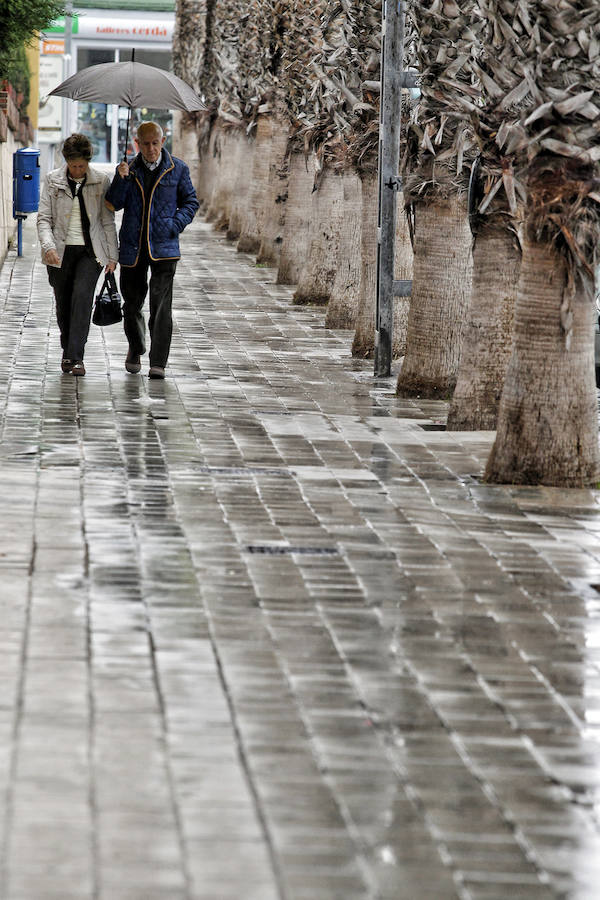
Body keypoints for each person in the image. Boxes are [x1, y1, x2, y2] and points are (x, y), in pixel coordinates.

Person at [105, 121, 199, 379]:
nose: (150, 149)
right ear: (137, 143)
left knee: (161, 307)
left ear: (163, 141)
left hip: (164, 247)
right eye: (145, 144)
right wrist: (121, 178)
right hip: (133, 248)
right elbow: (114, 203)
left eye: (155, 143)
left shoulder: (177, 169)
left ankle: (158, 362)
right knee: (132, 304)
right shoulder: (129, 168)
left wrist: (175, 224)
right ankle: (135, 347)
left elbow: (191, 201)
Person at [37, 133, 118, 376]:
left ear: (88, 161)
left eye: (82, 165)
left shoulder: (101, 181)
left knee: (82, 300)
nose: (77, 170)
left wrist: (112, 256)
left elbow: (107, 221)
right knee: (64, 305)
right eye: (73, 165)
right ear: (66, 161)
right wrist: (48, 246)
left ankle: (76, 357)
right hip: (59, 253)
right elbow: (43, 219)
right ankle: (67, 351)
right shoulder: (53, 181)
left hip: (89, 253)